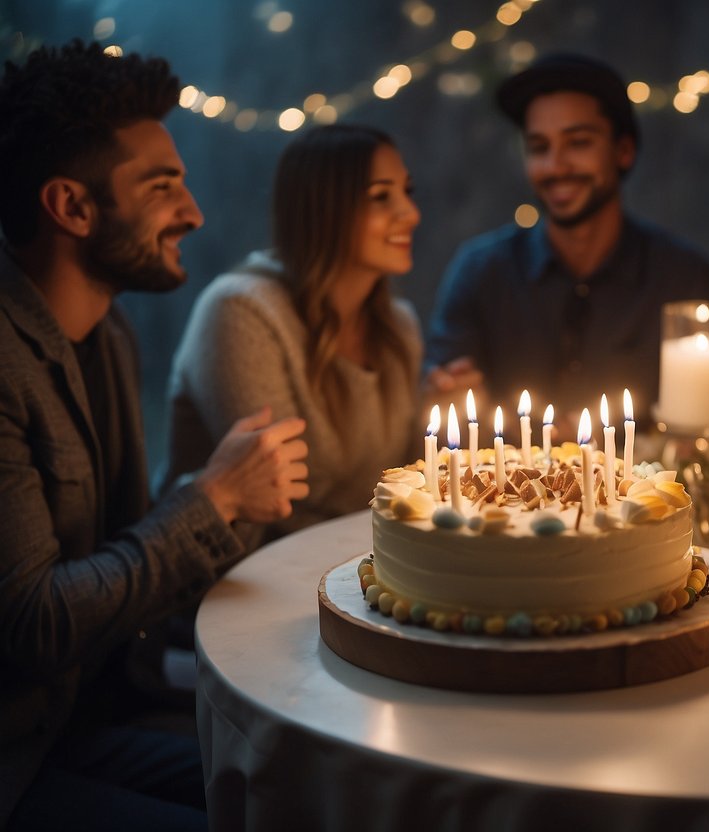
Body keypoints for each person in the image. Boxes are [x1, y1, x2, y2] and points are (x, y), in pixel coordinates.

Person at [0, 41, 308, 830]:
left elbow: (126, 553)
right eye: (163, 185)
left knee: (321, 790)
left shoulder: (111, 335)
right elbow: (31, 627)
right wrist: (209, 501)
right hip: (18, 761)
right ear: (71, 207)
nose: (194, 212)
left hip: (96, 717)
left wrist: (228, 508)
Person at [424, 53, 709, 437]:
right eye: (538, 147)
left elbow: (704, 435)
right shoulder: (480, 271)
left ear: (624, 151)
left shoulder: (683, 277)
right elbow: (446, 410)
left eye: (578, 143)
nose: (555, 166)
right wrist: (448, 391)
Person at [163, 125, 423, 547]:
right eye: (381, 196)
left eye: (408, 192)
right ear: (323, 208)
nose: (411, 213)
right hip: (243, 581)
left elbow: (410, 478)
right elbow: (279, 507)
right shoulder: (242, 311)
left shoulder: (399, 325)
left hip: (362, 569)